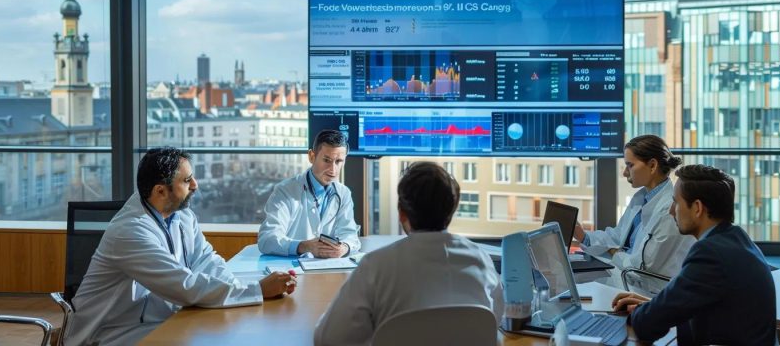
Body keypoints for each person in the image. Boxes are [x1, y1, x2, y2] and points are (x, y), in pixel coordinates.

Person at [66, 147, 297, 346]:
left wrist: (239, 290)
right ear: (160, 190)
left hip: (158, 318)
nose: (196, 185)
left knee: (222, 330)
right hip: (109, 333)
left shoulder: (182, 214)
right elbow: (184, 286)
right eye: (187, 180)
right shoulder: (129, 231)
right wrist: (256, 291)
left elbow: (206, 259)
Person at [313, 162, 504, 346]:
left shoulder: (375, 266)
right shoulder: (480, 260)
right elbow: (494, 320)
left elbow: (328, 339)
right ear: (452, 210)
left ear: (402, 213)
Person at [611, 164, 776, 345]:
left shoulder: (710, 253)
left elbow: (646, 326)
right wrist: (654, 305)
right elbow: (689, 303)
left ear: (697, 208)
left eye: (676, 202)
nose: (671, 210)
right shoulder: (736, 238)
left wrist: (645, 313)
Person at [572, 135, 695, 293]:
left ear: (652, 166)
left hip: (645, 289)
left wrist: (614, 252)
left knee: (576, 288)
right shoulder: (641, 197)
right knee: (571, 278)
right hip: (626, 275)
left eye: (630, 165)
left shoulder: (670, 209)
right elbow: (617, 236)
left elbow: (644, 265)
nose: (624, 173)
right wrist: (584, 237)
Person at [259, 129, 361, 258]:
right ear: (311, 156)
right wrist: (303, 246)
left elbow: (350, 235)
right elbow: (267, 240)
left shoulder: (343, 193)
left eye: (338, 161)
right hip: (291, 270)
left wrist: (344, 248)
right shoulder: (285, 190)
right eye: (327, 160)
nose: (333, 169)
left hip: (328, 268)